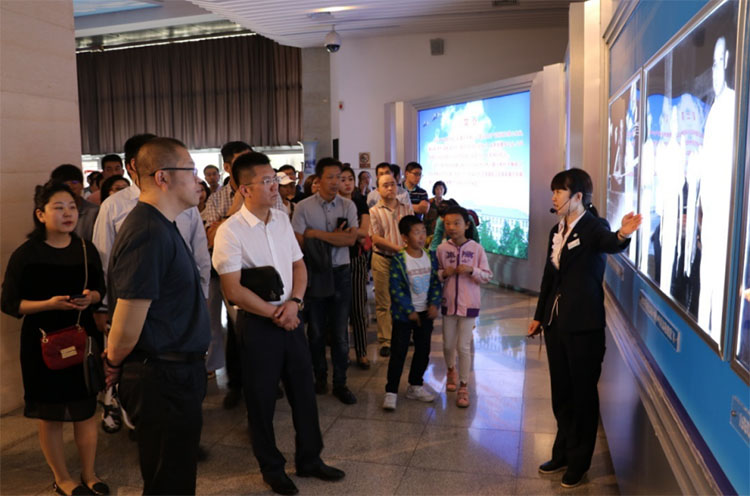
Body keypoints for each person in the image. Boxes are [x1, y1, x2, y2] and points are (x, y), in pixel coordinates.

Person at [212, 152, 345, 496]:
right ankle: (271, 468)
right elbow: (233, 290)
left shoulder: (282, 219)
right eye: (268, 181)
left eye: (276, 179)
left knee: (304, 392)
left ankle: (310, 459)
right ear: (245, 189)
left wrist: (294, 304)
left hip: (291, 316)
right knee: (261, 400)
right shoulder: (230, 231)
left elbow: (299, 265)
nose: (276, 186)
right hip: (259, 324)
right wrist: (276, 314)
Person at [104, 138, 210, 494]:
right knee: (168, 481)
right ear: (162, 177)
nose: (198, 180)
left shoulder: (163, 224)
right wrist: (113, 361)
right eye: (190, 171)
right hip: (162, 377)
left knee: (176, 474)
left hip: (176, 372)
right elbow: (128, 318)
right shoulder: (147, 231)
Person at [527, 168, 641, 488]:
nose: (554, 197)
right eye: (553, 192)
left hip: (584, 327)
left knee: (582, 396)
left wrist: (622, 235)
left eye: (559, 192)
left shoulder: (594, 227)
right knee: (561, 393)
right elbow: (549, 277)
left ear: (577, 196)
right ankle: (562, 452)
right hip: (556, 324)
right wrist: (539, 315)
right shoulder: (557, 230)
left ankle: (579, 462)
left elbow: (610, 242)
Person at [1, 181, 108, 496]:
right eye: (58, 208)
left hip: (82, 339)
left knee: (85, 412)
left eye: (72, 207)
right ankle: (62, 478)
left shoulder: (86, 249)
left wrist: (90, 298)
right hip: (42, 343)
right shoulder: (26, 255)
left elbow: (100, 290)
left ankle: (90, 474)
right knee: (50, 416)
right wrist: (48, 304)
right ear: (40, 214)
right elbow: (9, 303)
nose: (68, 213)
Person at [292, 158, 359, 404]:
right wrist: (332, 237)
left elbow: (350, 240)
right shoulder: (303, 207)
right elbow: (299, 241)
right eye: (330, 177)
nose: (335, 182)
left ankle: (340, 383)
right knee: (317, 331)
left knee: (340, 333)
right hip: (315, 273)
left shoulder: (348, 206)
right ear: (318, 180)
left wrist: (315, 234)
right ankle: (319, 378)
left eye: (339, 177)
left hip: (341, 272)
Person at [199, 140, 252, 409]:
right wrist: (237, 208)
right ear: (228, 167)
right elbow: (211, 238)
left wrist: (225, 223)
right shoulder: (217, 198)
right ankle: (237, 385)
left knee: (258, 330)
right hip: (227, 274)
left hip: (257, 271)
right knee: (235, 329)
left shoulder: (266, 192)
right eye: (242, 161)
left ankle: (264, 381)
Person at [697, 36, 736, 340]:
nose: (714, 71)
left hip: (725, 216)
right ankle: (704, 334)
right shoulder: (713, 109)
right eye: (711, 64)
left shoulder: (734, 105)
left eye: (718, 62)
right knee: (705, 281)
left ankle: (716, 337)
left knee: (720, 284)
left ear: (728, 62)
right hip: (709, 215)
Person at [383, 215, 442, 411]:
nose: (421, 236)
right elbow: (395, 288)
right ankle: (391, 391)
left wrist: (434, 304)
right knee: (398, 352)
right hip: (404, 316)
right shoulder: (400, 260)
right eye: (416, 232)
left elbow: (435, 283)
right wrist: (409, 310)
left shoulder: (430, 257)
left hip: (425, 314)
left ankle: (415, 385)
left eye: (423, 231)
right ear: (405, 237)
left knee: (423, 351)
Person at [437, 206, 492, 408]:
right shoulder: (442, 249)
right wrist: (444, 273)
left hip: (469, 305)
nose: (452, 227)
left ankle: (463, 385)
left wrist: (471, 270)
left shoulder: (476, 249)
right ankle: (450, 370)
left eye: (457, 223)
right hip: (448, 304)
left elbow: (487, 275)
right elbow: (437, 274)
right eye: (448, 224)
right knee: (447, 345)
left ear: (467, 225)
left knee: (463, 346)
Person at [369, 172, 414, 357]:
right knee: (384, 301)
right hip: (383, 258)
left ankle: (403, 335)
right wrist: (398, 248)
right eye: (385, 185)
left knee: (404, 299)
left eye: (393, 184)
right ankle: (385, 341)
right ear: (378, 189)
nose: (390, 188)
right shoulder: (374, 211)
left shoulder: (406, 208)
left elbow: (414, 230)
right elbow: (376, 238)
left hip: (404, 260)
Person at [338, 165, 371, 369]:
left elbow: (364, 232)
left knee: (358, 308)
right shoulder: (332, 204)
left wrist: (345, 233)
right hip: (335, 261)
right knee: (339, 311)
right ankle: (342, 353)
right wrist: (353, 233)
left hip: (356, 260)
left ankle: (362, 352)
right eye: (342, 179)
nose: (347, 183)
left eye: (350, 179)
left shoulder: (359, 202)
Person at [50, 164, 99, 242]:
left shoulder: (95, 211)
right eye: (64, 183)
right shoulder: (50, 212)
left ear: (82, 185)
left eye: (74, 182)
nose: (70, 186)